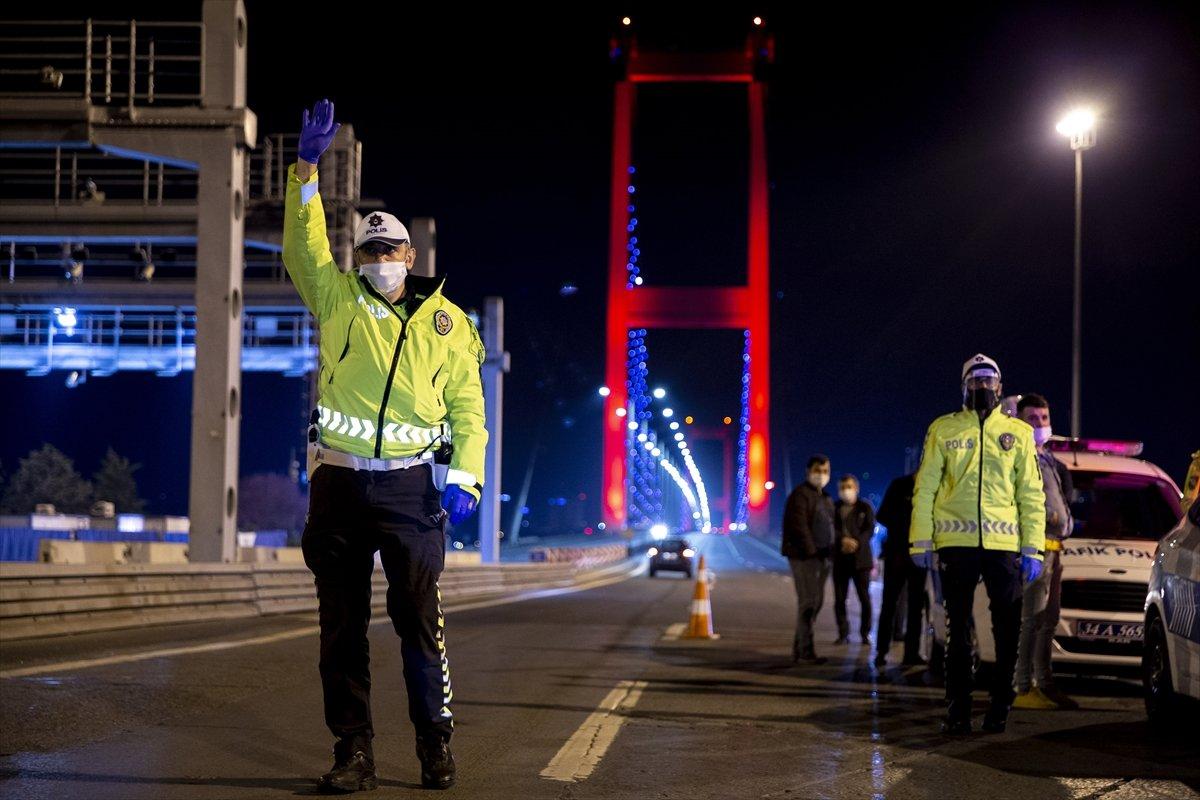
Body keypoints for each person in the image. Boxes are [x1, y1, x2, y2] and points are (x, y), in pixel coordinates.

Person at [285, 99, 488, 792]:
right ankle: (355, 753)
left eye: (388, 251)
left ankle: (435, 745)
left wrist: (466, 478)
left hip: (411, 490)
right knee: (341, 632)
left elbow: (469, 407)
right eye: (368, 251)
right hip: (339, 487)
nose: (377, 260)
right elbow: (304, 246)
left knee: (417, 625)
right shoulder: (337, 298)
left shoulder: (449, 324)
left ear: (411, 255)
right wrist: (306, 169)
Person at [910, 354, 1045, 735]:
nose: (982, 387)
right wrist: (920, 541)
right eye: (975, 380)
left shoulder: (1017, 434)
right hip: (956, 545)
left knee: (1007, 634)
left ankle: (1000, 706)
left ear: (1000, 387)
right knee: (957, 635)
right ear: (963, 386)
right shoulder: (943, 429)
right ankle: (957, 711)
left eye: (988, 381)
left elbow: (1031, 495)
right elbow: (926, 488)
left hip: (1004, 548)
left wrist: (1032, 549)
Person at [1013, 393, 1077, 710]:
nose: (1040, 424)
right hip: (1035, 549)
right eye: (1032, 419)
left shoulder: (1050, 460)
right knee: (1031, 620)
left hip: (1056, 550)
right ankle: (1023, 687)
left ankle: (1045, 683)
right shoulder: (1019, 459)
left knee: (1048, 620)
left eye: (1044, 418)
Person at [781, 455, 835, 664]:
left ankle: (799, 648)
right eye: (817, 470)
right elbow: (800, 526)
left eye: (825, 471)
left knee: (817, 602)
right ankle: (806, 651)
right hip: (804, 557)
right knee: (808, 602)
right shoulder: (800, 495)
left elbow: (832, 526)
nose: (821, 475)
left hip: (824, 557)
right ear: (808, 471)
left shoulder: (825, 498)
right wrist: (813, 551)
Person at [874, 472, 926, 668]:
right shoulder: (899, 484)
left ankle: (911, 654)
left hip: (920, 555)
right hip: (897, 553)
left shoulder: (932, 485)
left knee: (916, 607)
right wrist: (905, 524)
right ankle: (881, 651)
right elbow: (882, 515)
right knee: (889, 604)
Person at [832, 474, 876, 645]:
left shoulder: (865, 507)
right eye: (842, 487)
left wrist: (857, 542)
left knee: (864, 598)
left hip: (861, 560)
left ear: (856, 488)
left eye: (849, 487)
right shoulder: (834, 507)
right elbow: (830, 528)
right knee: (840, 599)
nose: (846, 491)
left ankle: (865, 633)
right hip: (840, 559)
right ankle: (843, 633)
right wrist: (842, 540)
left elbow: (869, 529)